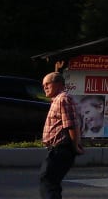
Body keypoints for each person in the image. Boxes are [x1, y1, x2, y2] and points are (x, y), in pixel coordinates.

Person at [40, 71, 83, 199]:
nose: (45, 87)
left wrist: (75, 146)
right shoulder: (57, 100)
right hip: (57, 149)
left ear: (59, 84)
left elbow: (71, 125)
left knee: (48, 181)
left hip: (61, 149)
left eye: (47, 84)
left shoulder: (63, 99)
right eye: (43, 85)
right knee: (51, 182)